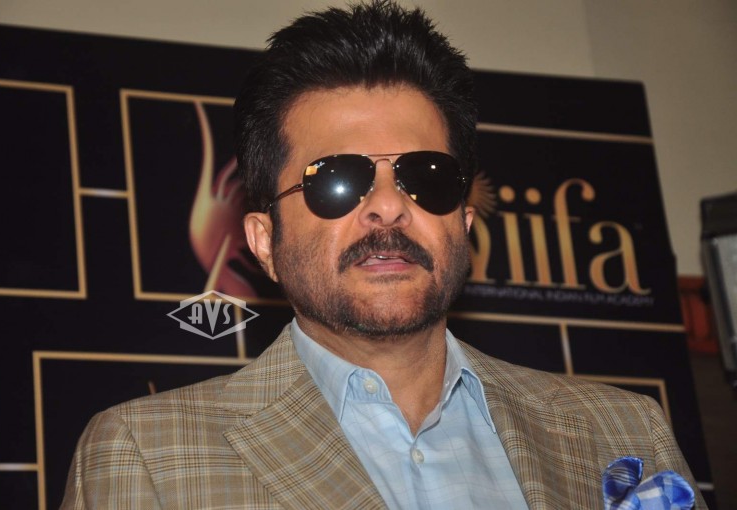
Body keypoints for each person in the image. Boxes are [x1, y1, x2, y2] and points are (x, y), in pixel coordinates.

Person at [61, 2, 705, 509]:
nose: (389, 207)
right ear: (264, 242)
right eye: (337, 180)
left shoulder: (623, 432)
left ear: (464, 222)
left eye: (426, 177)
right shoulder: (145, 455)